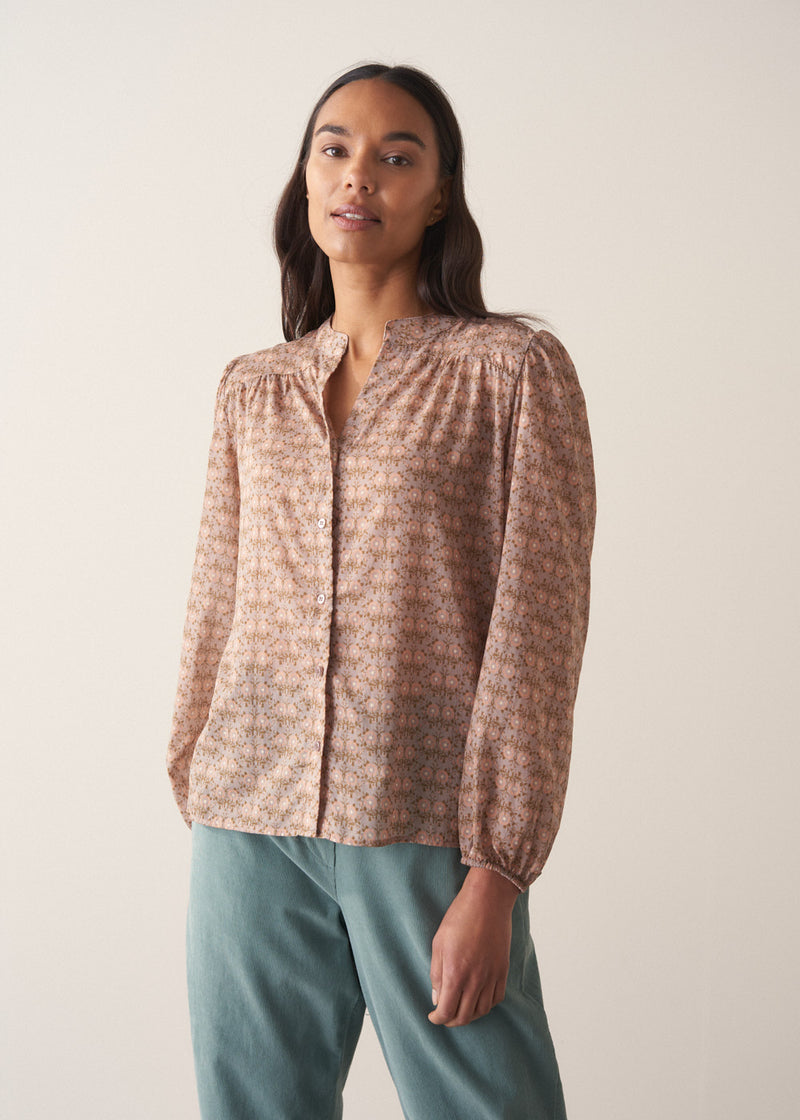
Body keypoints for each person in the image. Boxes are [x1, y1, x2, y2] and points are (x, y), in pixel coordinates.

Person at [166, 60, 596, 1120]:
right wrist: (196, 766)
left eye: (396, 156)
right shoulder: (251, 390)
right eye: (335, 148)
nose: (359, 175)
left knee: (484, 1103)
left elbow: (537, 629)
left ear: (439, 193)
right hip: (246, 817)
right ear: (305, 178)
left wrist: (495, 867)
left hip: (420, 819)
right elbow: (213, 600)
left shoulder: (508, 373)